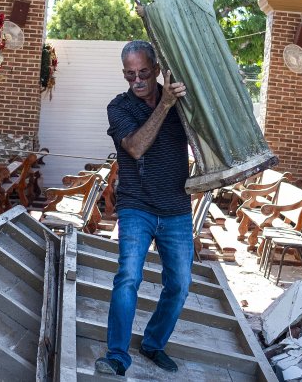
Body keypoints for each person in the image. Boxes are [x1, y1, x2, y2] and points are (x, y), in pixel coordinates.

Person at [118, 0, 277, 193]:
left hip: (186, 46)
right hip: (207, 39)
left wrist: (146, 12)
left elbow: (167, 14)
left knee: (199, 97)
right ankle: (246, 148)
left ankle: (225, 159)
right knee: (219, 87)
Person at [95, 40, 191, 377]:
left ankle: (153, 343)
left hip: (177, 207)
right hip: (137, 206)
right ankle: (117, 356)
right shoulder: (119, 108)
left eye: (144, 73)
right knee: (128, 277)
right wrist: (163, 105)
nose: (137, 81)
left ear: (157, 70)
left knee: (179, 284)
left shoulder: (180, 103)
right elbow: (135, 148)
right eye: (130, 74)